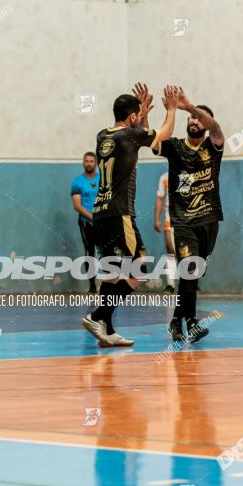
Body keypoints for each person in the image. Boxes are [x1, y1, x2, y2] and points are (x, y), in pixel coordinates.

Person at [81, 84, 180, 347]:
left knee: (112, 272)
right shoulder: (130, 135)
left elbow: (143, 139)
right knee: (140, 267)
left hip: (100, 212)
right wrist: (171, 109)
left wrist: (142, 115)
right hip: (120, 212)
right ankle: (97, 316)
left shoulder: (103, 136)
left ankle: (107, 332)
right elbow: (165, 135)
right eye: (137, 115)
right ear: (132, 116)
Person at [153, 90, 225, 342]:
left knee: (192, 275)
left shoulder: (213, 148)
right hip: (183, 222)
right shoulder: (175, 148)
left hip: (209, 221)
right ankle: (192, 323)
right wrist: (172, 111)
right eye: (191, 119)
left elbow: (216, 128)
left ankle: (175, 321)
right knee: (189, 269)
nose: (194, 121)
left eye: (198, 119)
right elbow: (155, 143)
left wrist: (190, 107)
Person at [70, 151, 100, 293]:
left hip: (102, 222)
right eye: (86, 161)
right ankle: (92, 286)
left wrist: (101, 217)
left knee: (108, 252)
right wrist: (92, 217)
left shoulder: (103, 180)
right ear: (83, 163)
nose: (89, 163)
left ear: (96, 163)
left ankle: (110, 285)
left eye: (91, 161)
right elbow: (77, 206)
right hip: (85, 222)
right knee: (89, 252)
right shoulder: (77, 182)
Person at [153, 171, 176, 293]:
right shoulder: (164, 177)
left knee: (188, 251)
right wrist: (156, 218)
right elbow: (160, 198)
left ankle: (190, 282)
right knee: (170, 250)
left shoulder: (187, 174)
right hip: (170, 219)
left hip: (186, 220)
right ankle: (170, 284)